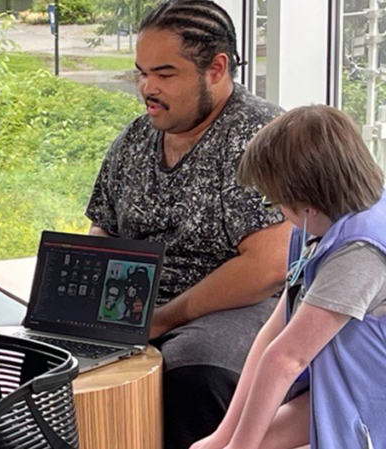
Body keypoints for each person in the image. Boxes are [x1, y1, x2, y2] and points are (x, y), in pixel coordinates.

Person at [84, 1, 291, 447]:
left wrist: (159, 320)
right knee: (42, 364)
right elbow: (103, 228)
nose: (147, 88)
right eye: (141, 72)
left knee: (193, 376)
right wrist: (83, 302)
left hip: (241, 307)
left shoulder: (263, 136)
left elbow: (268, 266)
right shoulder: (137, 138)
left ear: (216, 68)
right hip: (138, 306)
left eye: (165, 74)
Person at [191, 105, 386, 449]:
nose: (276, 209)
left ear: (308, 203)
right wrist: (223, 437)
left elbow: (287, 358)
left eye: (275, 201)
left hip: (372, 405)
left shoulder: (361, 251)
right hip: (338, 390)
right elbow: (274, 333)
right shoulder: (315, 226)